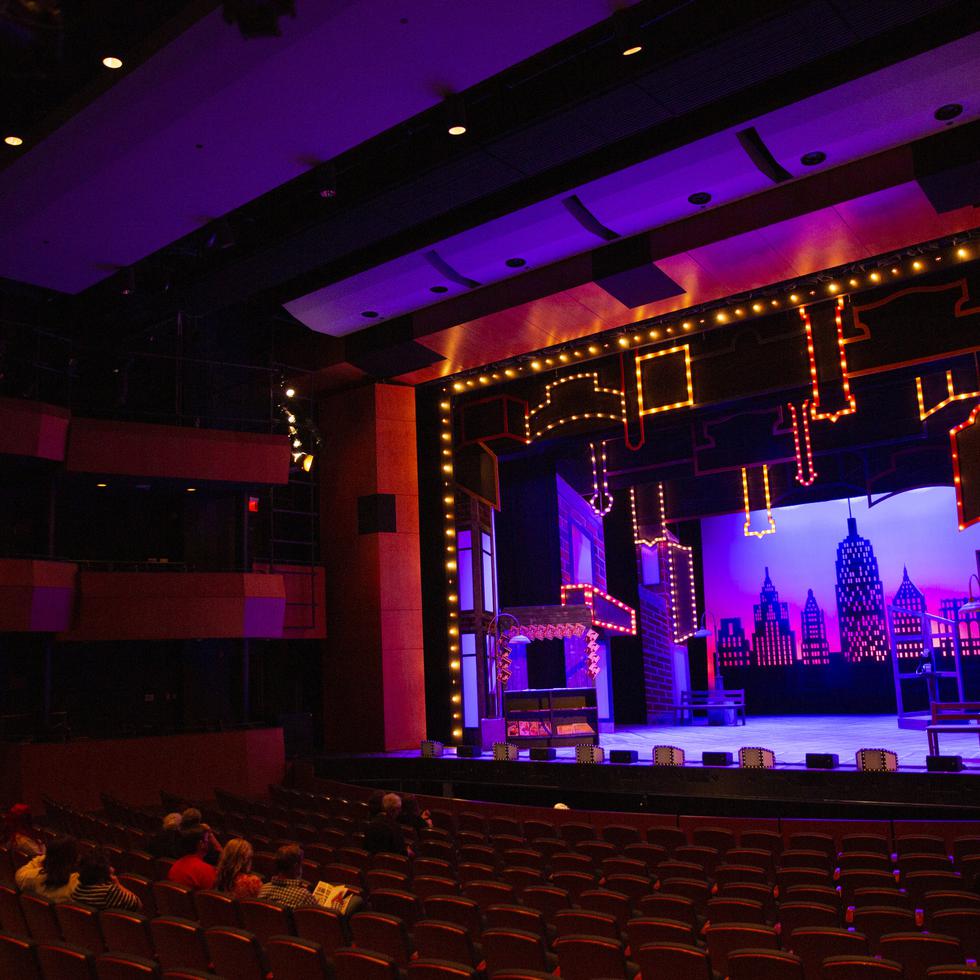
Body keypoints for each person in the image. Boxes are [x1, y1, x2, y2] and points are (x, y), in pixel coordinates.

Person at [258, 843, 362, 916]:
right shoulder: (302, 895)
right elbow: (325, 917)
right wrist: (336, 903)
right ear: (296, 867)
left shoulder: (264, 889)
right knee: (356, 900)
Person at [15, 835, 79, 902]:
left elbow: (19, 875)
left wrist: (43, 859)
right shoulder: (76, 885)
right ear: (75, 860)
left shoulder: (34, 876)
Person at [72, 849, 142, 911]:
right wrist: (118, 884)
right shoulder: (109, 892)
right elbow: (138, 904)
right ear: (103, 871)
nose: (112, 868)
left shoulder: (77, 889)